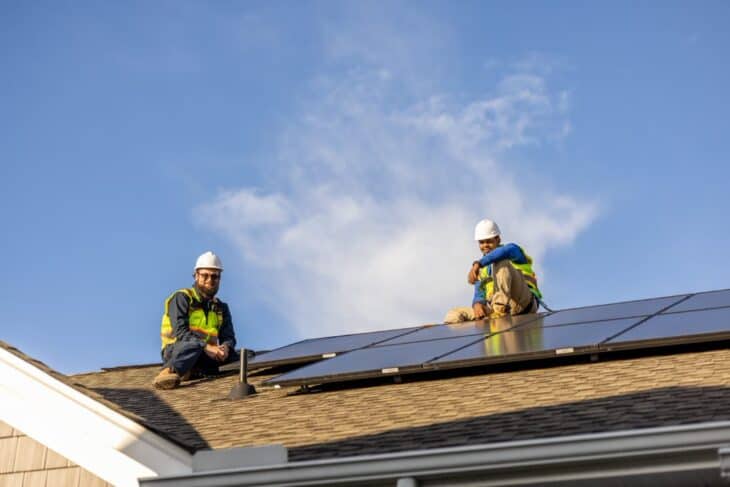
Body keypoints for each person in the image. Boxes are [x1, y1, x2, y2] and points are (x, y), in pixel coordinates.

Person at [154, 251, 238, 390]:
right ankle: (167, 372)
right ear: (196, 276)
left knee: (246, 356)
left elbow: (228, 337)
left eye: (214, 276)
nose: (210, 280)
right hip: (178, 350)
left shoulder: (221, 307)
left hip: (206, 354)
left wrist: (226, 348)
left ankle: (193, 371)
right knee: (193, 346)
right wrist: (206, 346)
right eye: (205, 275)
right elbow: (181, 333)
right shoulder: (182, 297)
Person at [444, 219, 542, 323]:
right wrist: (477, 304)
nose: (485, 245)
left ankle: (500, 308)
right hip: (496, 313)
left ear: (498, 239)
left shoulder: (512, 251)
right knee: (454, 315)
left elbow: (505, 251)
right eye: (481, 242)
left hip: (522, 303)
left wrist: (478, 264)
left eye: (489, 241)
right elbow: (479, 294)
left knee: (501, 262)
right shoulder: (482, 270)